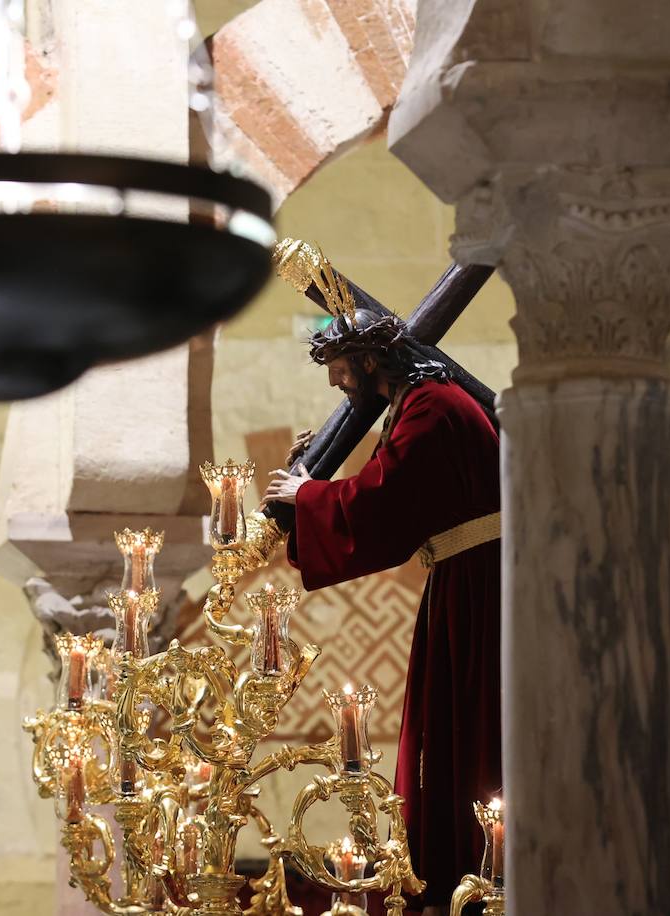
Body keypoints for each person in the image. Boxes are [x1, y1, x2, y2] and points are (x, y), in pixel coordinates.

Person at [263, 241, 501, 915]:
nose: (338, 384)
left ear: (370, 360)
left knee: (467, 740)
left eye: (340, 369)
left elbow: (384, 501)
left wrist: (306, 495)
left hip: (478, 588)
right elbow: (385, 490)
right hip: (463, 581)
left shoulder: (432, 406)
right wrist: (312, 491)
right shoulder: (419, 405)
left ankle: (475, 881)